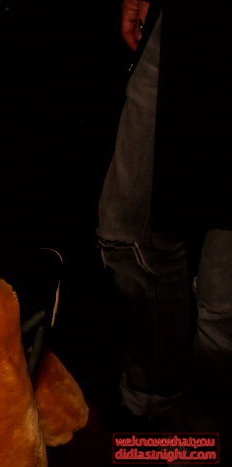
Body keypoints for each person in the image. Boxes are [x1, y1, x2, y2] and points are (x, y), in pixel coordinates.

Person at [97, 0, 231, 434]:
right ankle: (152, 398)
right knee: (126, 233)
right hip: (187, 22)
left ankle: (204, 428)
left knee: (223, 290)